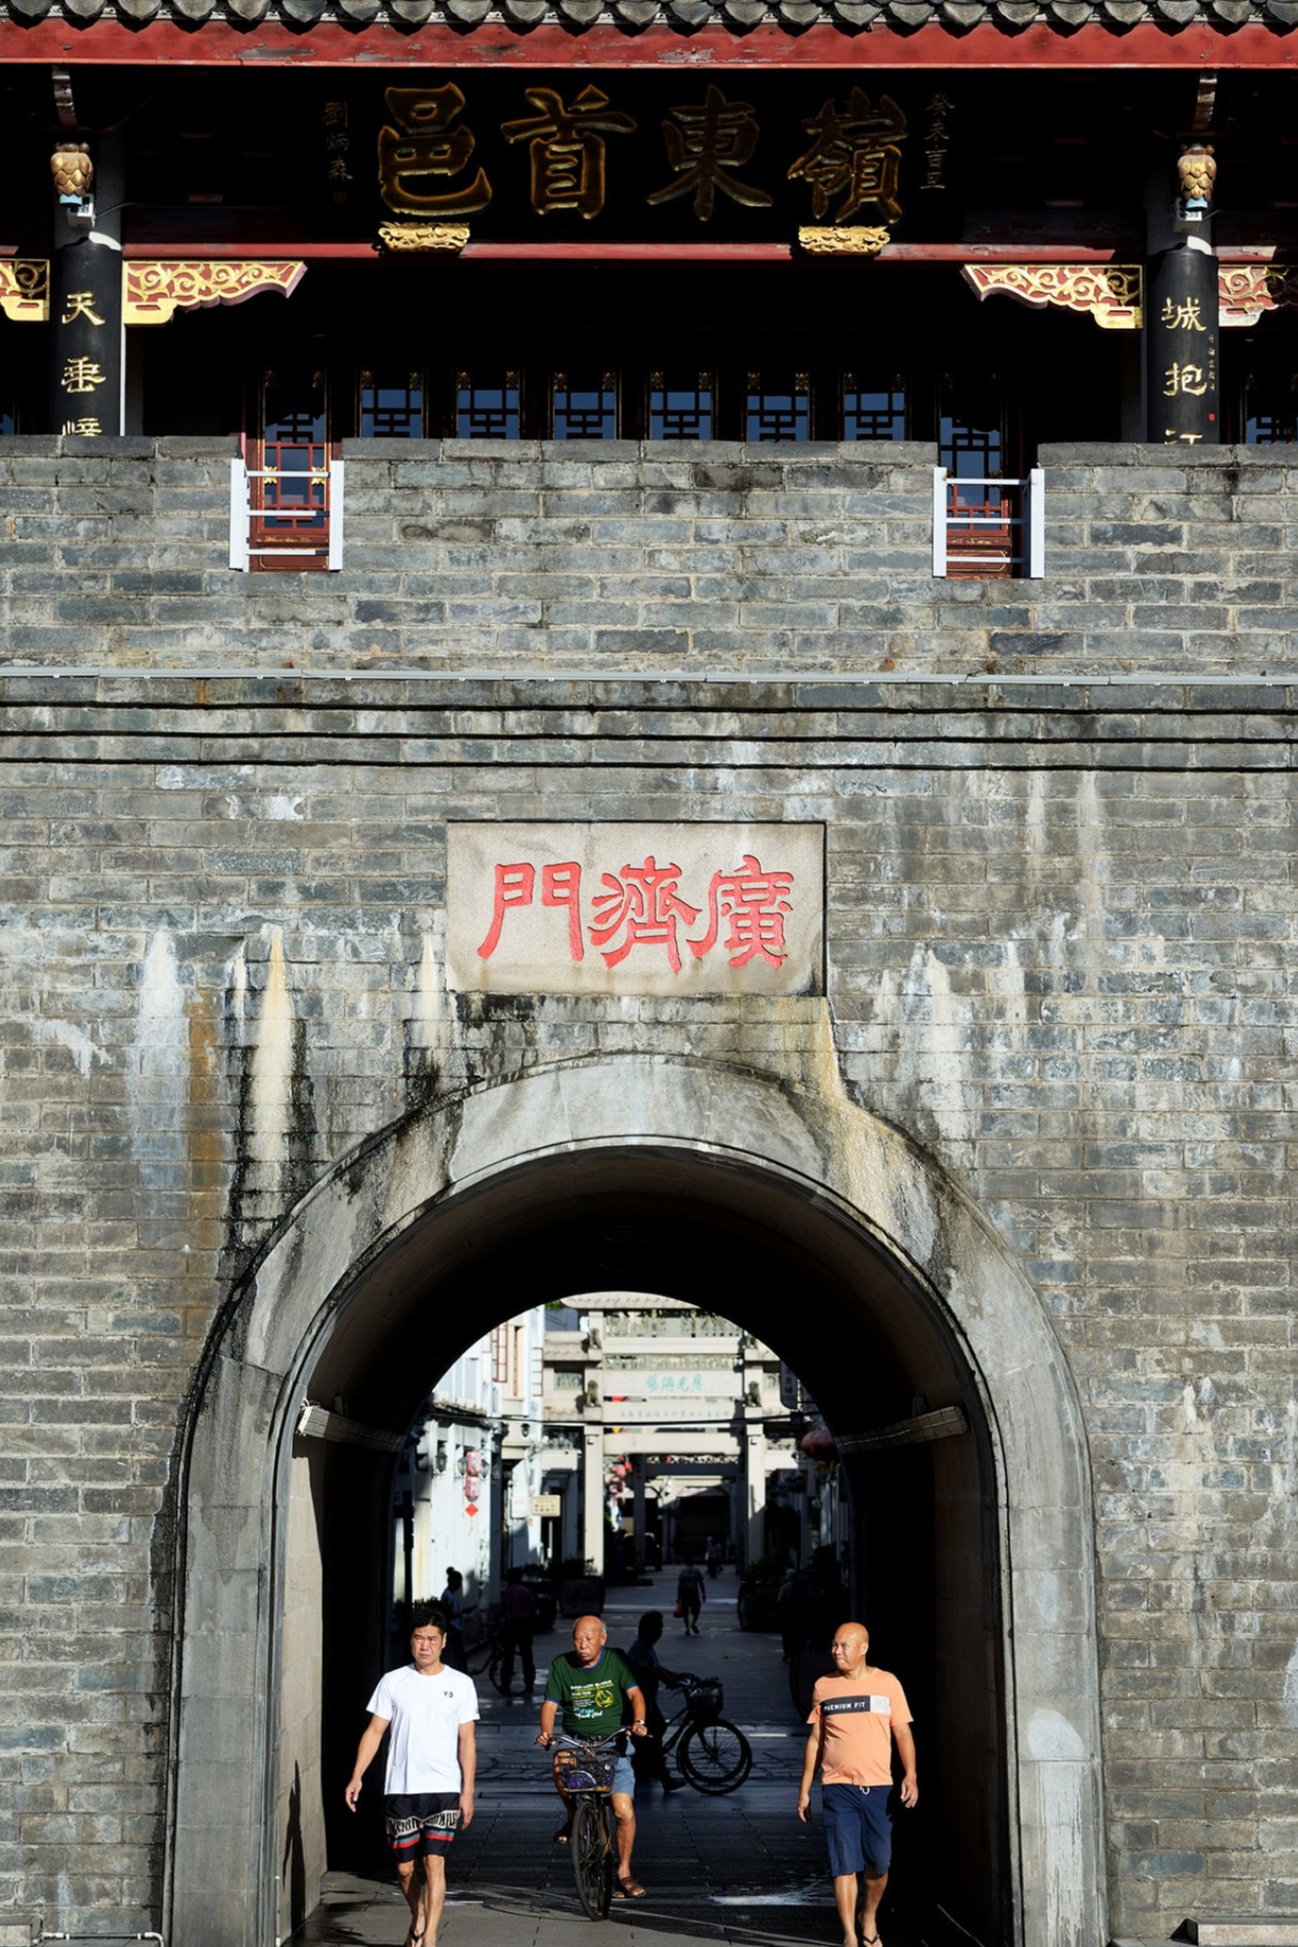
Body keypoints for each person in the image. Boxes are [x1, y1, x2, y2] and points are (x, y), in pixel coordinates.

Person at [345, 1605, 478, 1947]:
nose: (425, 1646)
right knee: (405, 1870)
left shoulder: (460, 1684)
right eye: (419, 1638)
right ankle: (417, 1916)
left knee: (435, 1863)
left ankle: (430, 1936)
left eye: (432, 1639)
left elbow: (467, 1740)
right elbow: (374, 1731)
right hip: (401, 1788)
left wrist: (467, 1791)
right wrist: (357, 1775)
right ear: (410, 1641)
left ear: (444, 1641)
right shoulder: (393, 1681)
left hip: (444, 1788)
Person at [796, 1621, 918, 1947]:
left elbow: (902, 1731)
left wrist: (911, 1774)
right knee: (843, 1864)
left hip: (879, 1788)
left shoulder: (887, 1684)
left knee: (879, 1864)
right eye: (834, 1646)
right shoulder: (824, 1686)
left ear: (863, 1648)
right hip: (838, 1787)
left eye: (843, 1646)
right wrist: (805, 1789)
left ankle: (870, 1915)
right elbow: (815, 1739)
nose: (836, 1652)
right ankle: (850, 1936)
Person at [536, 1613, 650, 1898]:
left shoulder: (616, 1660)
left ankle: (624, 1872)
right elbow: (550, 1705)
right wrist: (546, 1732)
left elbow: (635, 1695)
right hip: (576, 1742)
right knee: (560, 1764)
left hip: (613, 1744)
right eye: (577, 1639)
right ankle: (574, 1816)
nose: (582, 1645)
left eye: (589, 1639)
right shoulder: (561, 1665)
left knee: (623, 1811)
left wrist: (639, 1721)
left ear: (603, 1639)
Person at [624, 1611, 686, 1792]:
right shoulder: (639, 1650)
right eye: (658, 1628)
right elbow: (652, 1672)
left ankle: (646, 1767)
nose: (660, 1632)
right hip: (640, 1706)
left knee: (657, 1730)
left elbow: (657, 1668)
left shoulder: (646, 1648)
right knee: (652, 1738)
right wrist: (670, 1680)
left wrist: (675, 1676)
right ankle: (664, 1777)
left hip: (648, 1703)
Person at [500, 1567, 536, 1695]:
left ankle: (505, 1684)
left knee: (508, 1656)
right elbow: (532, 1610)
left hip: (512, 1626)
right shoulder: (526, 1592)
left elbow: (505, 1610)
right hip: (525, 1626)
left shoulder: (506, 1592)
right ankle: (529, 1684)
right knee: (527, 1656)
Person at [439, 1567, 467, 1671]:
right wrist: (461, 1612)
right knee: (457, 1654)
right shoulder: (448, 1596)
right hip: (453, 1628)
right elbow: (447, 1614)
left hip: (456, 1628)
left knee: (458, 1654)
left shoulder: (451, 1595)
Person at [676, 1557, 705, 1635]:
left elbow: (680, 1584)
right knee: (696, 1609)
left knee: (685, 1612)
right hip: (694, 1592)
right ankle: (693, 1623)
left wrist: (678, 1597)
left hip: (685, 1592)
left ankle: (687, 1628)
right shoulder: (697, 1571)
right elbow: (701, 1582)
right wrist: (703, 1593)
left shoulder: (683, 1571)